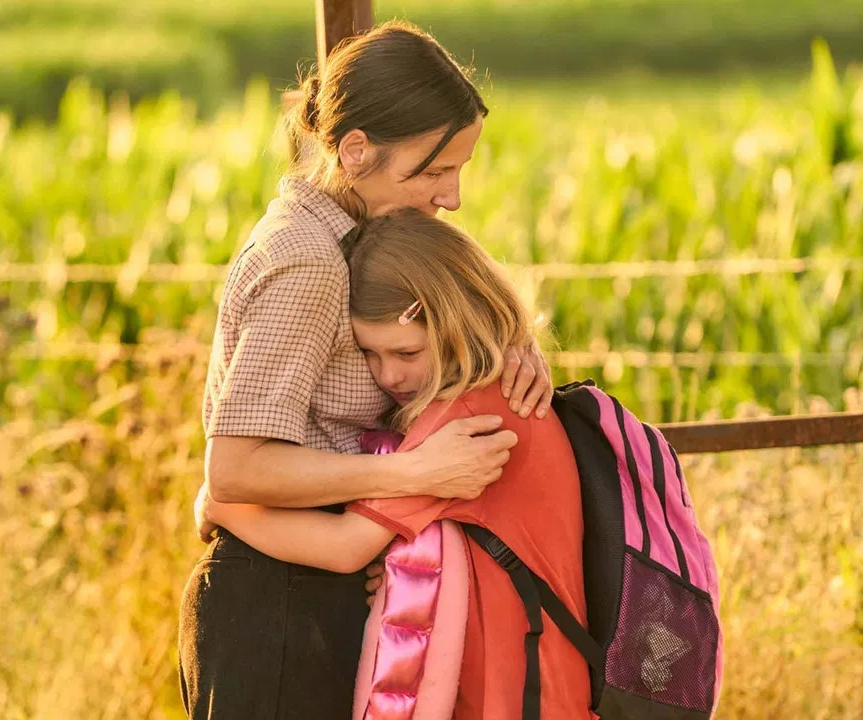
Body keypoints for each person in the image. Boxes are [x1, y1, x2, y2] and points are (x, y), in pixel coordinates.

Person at [179, 21, 557, 720]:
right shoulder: (309, 262)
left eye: (459, 169)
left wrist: (508, 342)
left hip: (320, 590)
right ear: (355, 152)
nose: (453, 197)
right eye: (433, 170)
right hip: (277, 609)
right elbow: (233, 470)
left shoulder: (360, 236)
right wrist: (411, 476)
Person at [202, 209, 592, 719]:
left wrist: (221, 505)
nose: (389, 375)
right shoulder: (500, 391)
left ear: (454, 322)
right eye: (370, 353)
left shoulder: (462, 421)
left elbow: (344, 548)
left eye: (406, 352)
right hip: (544, 677)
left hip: (512, 690)